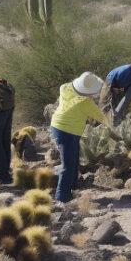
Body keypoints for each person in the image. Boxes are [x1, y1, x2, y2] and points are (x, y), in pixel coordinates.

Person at [50, 72, 108, 203]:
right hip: (67, 132)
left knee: (73, 158)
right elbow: (103, 118)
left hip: (57, 127)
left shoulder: (65, 87)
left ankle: (72, 187)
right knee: (68, 165)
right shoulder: (85, 103)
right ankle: (61, 198)